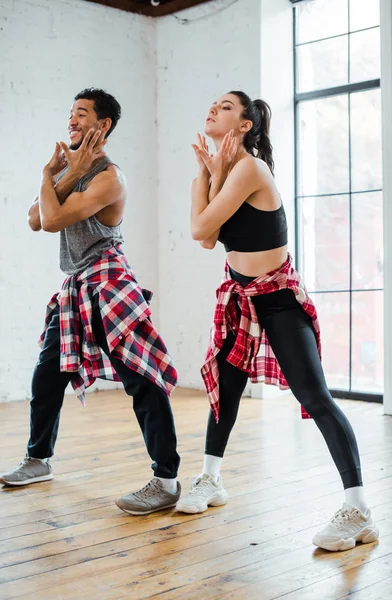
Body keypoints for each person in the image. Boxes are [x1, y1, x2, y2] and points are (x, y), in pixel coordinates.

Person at [175, 91, 379, 552]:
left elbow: (199, 230)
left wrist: (210, 180)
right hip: (241, 299)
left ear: (244, 126)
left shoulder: (249, 168)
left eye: (225, 107)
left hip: (279, 297)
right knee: (224, 389)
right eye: (212, 104)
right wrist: (205, 177)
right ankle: (210, 479)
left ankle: (358, 508)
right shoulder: (215, 175)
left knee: (314, 396)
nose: (213, 108)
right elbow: (207, 240)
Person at [0, 88, 181, 516]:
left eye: (82, 114)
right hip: (77, 283)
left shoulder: (108, 177)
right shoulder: (72, 171)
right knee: (47, 375)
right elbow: (33, 218)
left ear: (104, 126)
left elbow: (53, 220)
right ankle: (38, 459)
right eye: (71, 113)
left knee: (141, 378)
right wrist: (57, 174)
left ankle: (167, 480)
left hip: (109, 278)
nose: (72, 120)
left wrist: (52, 177)